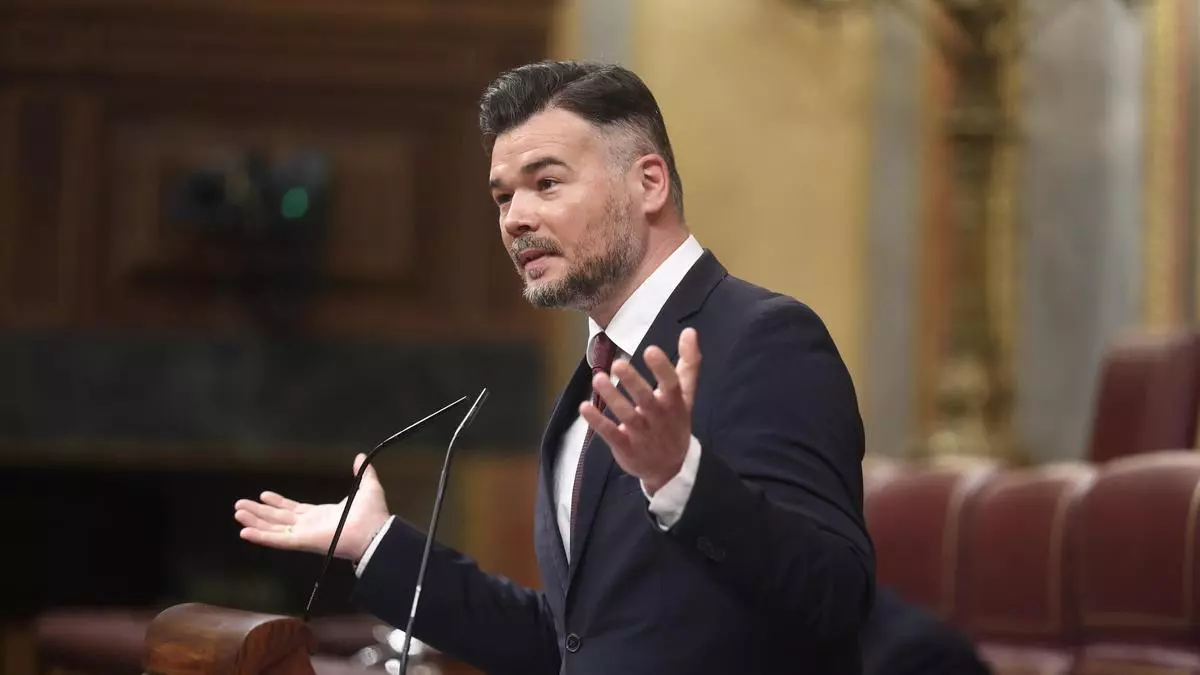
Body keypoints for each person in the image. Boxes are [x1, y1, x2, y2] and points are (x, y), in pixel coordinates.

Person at [235, 60, 874, 675]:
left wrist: (682, 480)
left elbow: (837, 597)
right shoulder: (594, 375)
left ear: (649, 183)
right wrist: (376, 545)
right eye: (503, 197)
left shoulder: (764, 338)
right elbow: (574, 646)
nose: (515, 219)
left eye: (546, 184)